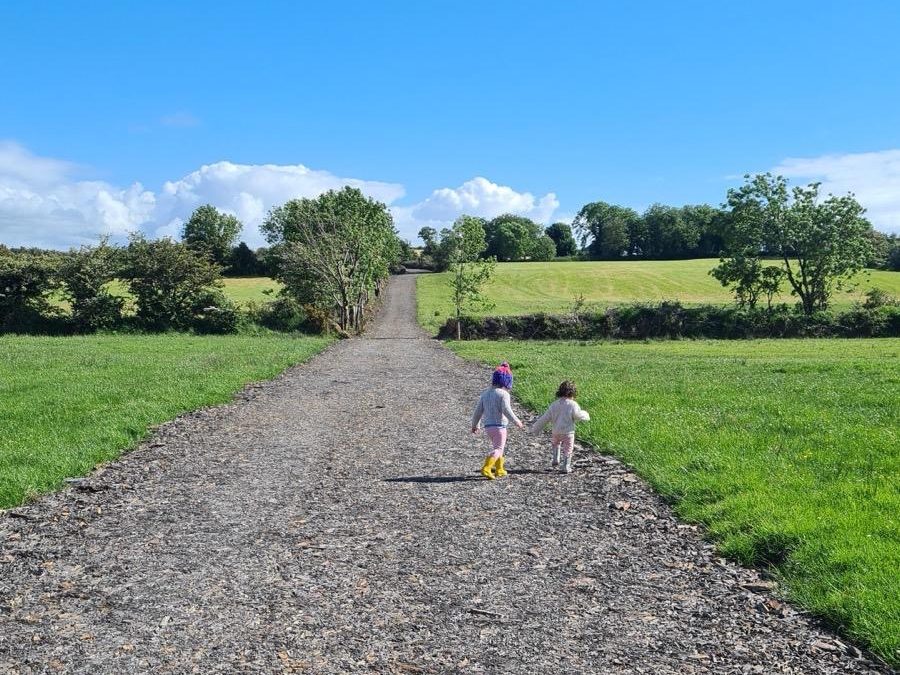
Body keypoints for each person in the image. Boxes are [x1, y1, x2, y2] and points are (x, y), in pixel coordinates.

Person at [471, 362, 523, 480]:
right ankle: (487, 467)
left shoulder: (485, 394)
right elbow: (506, 409)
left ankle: (499, 469)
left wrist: (475, 425)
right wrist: (516, 420)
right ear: (507, 382)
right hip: (500, 427)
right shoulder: (504, 394)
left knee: (498, 447)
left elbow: (478, 411)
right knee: (499, 449)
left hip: (488, 427)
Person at [530, 380, 590, 474]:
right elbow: (578, 415)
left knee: (556, 443)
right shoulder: (573, 404)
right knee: (568, 448)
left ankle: (555, 459)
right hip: (568, 432)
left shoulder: (554, 405)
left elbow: (545, 418)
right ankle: (566, 466)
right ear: (573, 393)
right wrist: (586, 415)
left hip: (556, 431)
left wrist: (536, 428)